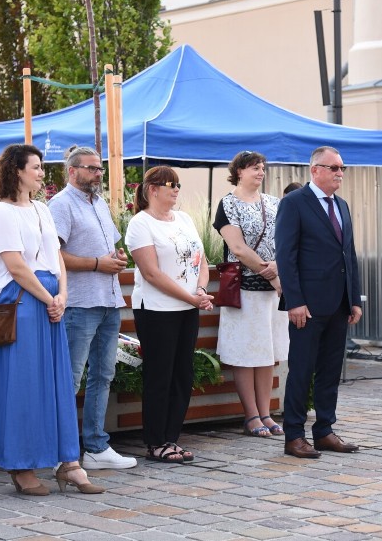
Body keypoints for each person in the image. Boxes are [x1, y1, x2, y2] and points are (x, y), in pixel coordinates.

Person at [0, 144, 104, 495]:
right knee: (24, 385)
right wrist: (50, 298)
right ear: (16, 171)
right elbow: (15, 265)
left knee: (57, 383)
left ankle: (69, 463)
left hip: (50, 300)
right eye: (35, 167)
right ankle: (21, 466)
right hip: (22, 302)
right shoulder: (0, 213)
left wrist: (63, 294)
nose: (40, 173)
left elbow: (57, 258)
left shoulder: (41, 208)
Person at [48, 146, 136, 471]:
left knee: (103, 375)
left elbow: (111, 247)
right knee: (70, 379)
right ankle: (64, 453)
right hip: (79, 304)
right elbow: (54, 255)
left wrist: (117, 258)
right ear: (72, 171)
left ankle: (96, 447)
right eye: (91, 168)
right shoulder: (59, 204)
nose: (98, 174)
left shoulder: (98, 203)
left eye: (100, 169)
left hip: (110, 301)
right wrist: (98, 264)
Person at [274, 146, 363, 458]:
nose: (340, 173)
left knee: (329, 370)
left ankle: (324, 430)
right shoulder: (294, 203)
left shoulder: (342, 205)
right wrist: (294, 301)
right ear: (315, 171)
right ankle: (294, 435)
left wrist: (355, 298)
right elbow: (285, 255)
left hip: (338, 303)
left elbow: (348, 254)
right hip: (307, 306)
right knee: (301, 369)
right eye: (334, 167)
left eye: (342, 168)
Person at [124, 166, 213, 463]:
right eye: (170, 184)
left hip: (189, 306)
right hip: (158, 310)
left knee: (182, 374)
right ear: (152, 189)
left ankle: (171, 437)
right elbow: (151, 273)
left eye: (178, 184)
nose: (176, 189)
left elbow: (201, 260)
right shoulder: (141, 223)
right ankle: (155, 441)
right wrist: (191, 297)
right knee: (159, 375)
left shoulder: (185, 219)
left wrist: (200, 291)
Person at [212, 151, 288, 438]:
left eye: (263, 168)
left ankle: (266, 413)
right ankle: (251, 415)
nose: (260, 172)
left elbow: (285, 239)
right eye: (255, 168)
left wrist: (278, 267)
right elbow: (238, 247)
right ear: (239, 171)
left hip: (272, 289)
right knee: (246, 352)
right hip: (244, 289)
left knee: (267, 353)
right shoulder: (228, 204)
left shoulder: (274, 203)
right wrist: (269, 271)